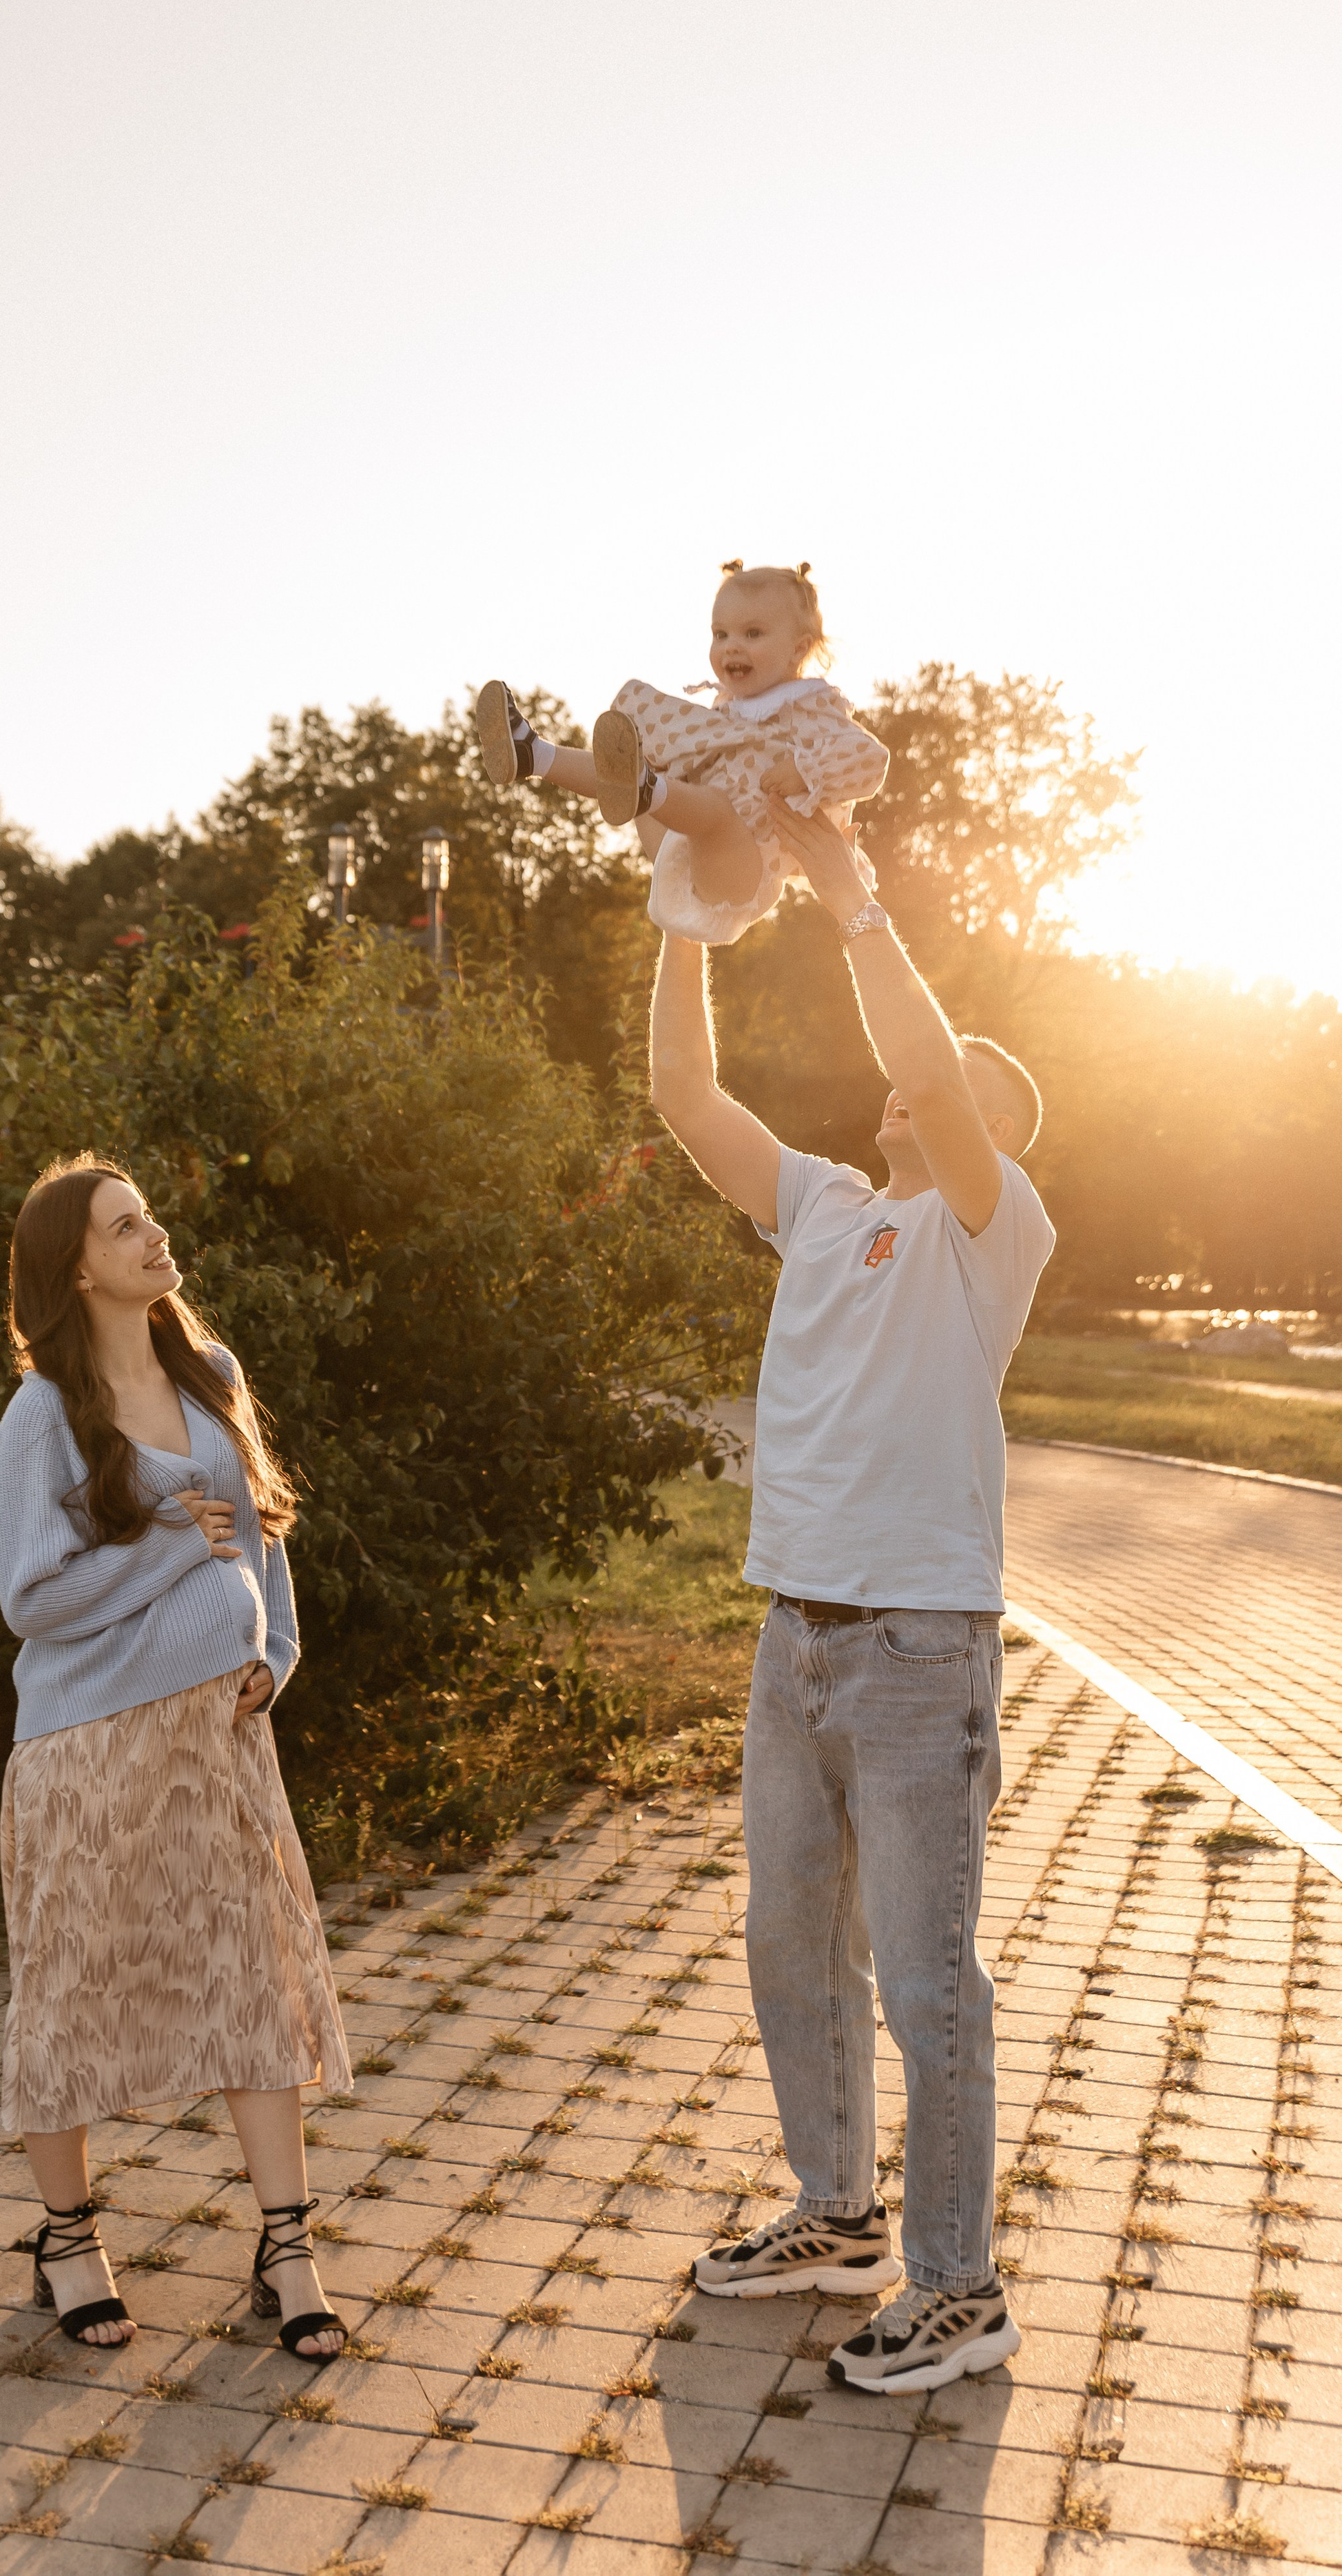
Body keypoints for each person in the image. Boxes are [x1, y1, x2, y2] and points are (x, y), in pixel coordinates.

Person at [649, 798, 1055, 2395]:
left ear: (991, 1135)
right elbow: (684, 1098)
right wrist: (681, 910)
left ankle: (958, 2287)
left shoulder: (989, 1229)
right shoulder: (822, 1203)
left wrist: (847, 893)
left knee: (926, 1982)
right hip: (793, 1635)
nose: (916, 1082)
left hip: (914, 1649)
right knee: (790, 1951)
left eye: (957, 1081)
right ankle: (836, 2214)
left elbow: (939, 1079)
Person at [0, 1154, 352, 2362]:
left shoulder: (213, 1374)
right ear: (75, 1269)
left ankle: (289, 2249)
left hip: (219, 1738)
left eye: (147, 1216)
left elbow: (260, 1536)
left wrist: (276, 1652)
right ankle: (68, 2242)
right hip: (86, 1746)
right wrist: (166, 1546)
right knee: (71, 1993)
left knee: (253, 1978)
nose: (154, 1236)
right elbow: (30, 1596)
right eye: (124, 1227)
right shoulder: (43, 1415)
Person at [475, 560, 889, 943]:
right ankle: (533, 754)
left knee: (711, 807)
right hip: (679, 853)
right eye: (720, 634)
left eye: (753, 634)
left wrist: (806, 769)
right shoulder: (725, 716)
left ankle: (645, 789)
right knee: (638, 761)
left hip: (745, 869)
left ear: (798, 649)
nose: (731, 647)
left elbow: (871, 760)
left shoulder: (813, 708)